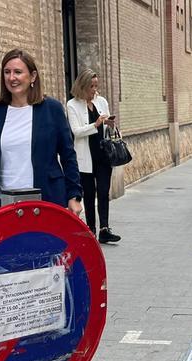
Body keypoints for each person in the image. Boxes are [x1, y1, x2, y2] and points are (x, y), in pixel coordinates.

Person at [0, 49, 83, 222]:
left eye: (18, 72)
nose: (11, 78)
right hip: (6, 201)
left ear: (32, 77)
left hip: (47, 198)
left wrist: (74, 195)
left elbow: (68, 155)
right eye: (7, 72)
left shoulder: (52, 109)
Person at [66, 70, 120, 244]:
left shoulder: (101, 101)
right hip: (85, 157)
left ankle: (104, 229)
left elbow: (106, 128)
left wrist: (109, 124)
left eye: (97, 85)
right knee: (89, 195)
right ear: (82, 86)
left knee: (103, 192)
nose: (95, 89)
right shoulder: (72, 105)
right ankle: (90, 231)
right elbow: (76, 131)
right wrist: (95, 124)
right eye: (92, 86)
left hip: (103, 155)